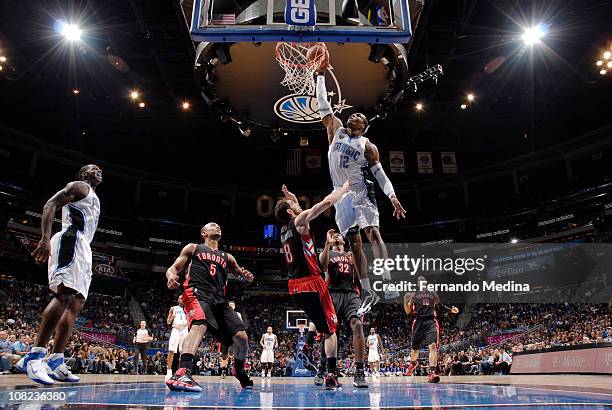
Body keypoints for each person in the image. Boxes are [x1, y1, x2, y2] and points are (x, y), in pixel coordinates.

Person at [315, 53, 406, 305]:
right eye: (353, 114)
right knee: (354, 245)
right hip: (339, 194)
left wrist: (393, 197)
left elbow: (380, 174)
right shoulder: (335, 129)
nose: (354, 115)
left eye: (359, 117)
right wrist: (320, 75)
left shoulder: (368, 146)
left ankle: (387, 282)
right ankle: (366, 288)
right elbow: (323, 103)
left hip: (361, 191)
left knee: (374, 235)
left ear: (364, 126)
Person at [17, 164, 102, 385]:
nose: (99, 171)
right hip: (70, 239)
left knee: (76, 303)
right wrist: (44, 238)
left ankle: (55, 359)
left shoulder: (91, 194)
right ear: (84, 174)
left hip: (84, 245)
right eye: (94, 169)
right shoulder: (80, 186)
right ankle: (35, 357)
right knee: (64, 295)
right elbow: (50, 204)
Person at [274, 182, 349, 390]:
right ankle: (331, 374)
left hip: (294, 286)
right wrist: (344, 189)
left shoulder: (284, 230)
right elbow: (325, 204)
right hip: (312, 282)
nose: (299, 205)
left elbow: (294, 208)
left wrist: (292, 197)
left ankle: (307, 345)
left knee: (319, 320)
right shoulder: (299, 221)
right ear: (291, 211)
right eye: (295, 205)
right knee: (331, 330)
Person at [165, 222, 254, 391]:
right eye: (213, 225)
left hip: (219, 300)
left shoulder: (227, 257)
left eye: (219, 225)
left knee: (242, 337)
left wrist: (246, 278)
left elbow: (240, 276)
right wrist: (170, 277)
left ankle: (239, 369)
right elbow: (173, 268)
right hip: (196, 293)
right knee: (199, 324)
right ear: (203, 233)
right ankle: (182, 371)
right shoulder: (193, 248)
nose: (217, 226)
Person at [316, 229, 368, 388]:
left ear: (345, 241)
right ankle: (326, 370)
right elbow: (322, 266)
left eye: (339, 235)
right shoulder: (328, 253)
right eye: (334, 235)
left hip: (351, 294)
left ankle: (359, 372)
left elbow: (362, 274)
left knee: (358, 325)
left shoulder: (351, 255)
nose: (337, 235)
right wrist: (327, 245)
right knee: (330, 332)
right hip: (331, 293)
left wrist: (358, 252)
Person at [403, 276, 459, 383]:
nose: (422, 282)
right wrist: (405, 302)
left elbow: (440, 306)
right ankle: (413, 364)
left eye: (423, 281)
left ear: (426, 283)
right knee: (415, 349)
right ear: (418, 284)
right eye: (420, 281)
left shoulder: (432, 293)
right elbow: (408, 312)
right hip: (418, 322)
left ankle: (432, 373)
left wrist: (451, 310)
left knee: (433, 346)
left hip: (431, 322)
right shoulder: (413, 294)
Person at [166, 296, 188, 381]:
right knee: (171, 350)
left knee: (183, 351)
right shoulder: (173, 308)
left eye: (183, 298)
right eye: (180, 298)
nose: (182, 299)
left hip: (184, 329)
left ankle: (181, 371)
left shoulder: (188, 309)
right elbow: (168, 322)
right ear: (178, 299)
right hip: (176, 328)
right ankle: (169, 371)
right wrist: (172, 317)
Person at [219, 301, 242, 379]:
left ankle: (232, 370)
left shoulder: (238, 314)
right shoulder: (224, 314)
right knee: (224, 355)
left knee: (231, 354)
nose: (231, 306)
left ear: (235, 307)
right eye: (230, 305)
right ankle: (223, 371)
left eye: (233, 305)